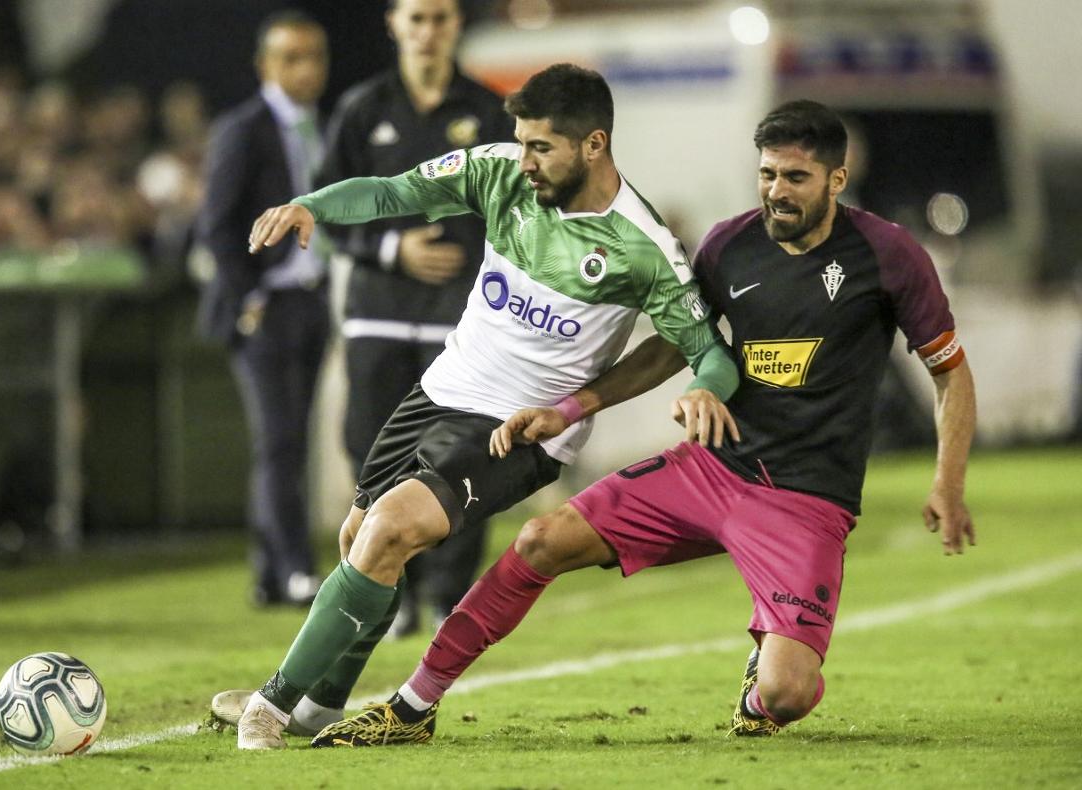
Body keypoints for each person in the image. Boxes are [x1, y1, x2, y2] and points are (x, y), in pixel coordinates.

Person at [310, 98, 977, 746]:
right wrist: (578, 406)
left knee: (786, 696)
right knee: (542, 539)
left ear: (837, 178)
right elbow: (672, 346)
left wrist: (947, 484)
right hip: (712, 468)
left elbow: (950, 372)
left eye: (795, 178)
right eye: (767, 174)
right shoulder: (730, 245)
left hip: (805, 499)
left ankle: (760, 676)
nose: (777, 191)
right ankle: (412, 706)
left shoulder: (889, 256)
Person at [214, 64, 741, 750]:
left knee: (388, 532)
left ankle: (272, 704)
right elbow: (393, 190)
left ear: (594, 145)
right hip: (440, 390)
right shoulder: (497, 169)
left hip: (519, 429)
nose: (523, 161)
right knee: (360, 544)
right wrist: (314, 205)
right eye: (519, 142)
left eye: (540, 148)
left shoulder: (643, 246)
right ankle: (321, 704)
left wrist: (701, 388)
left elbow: (711, 353)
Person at [317, 0, 515, 636]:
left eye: (441, 18)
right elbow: (322, 209)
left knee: (461, 457)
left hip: (461, 323)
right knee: (370, 452)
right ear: (394, 25)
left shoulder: (489, 112)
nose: (428, 31)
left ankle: (447, 597)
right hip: (377, 316)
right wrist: (389, 249)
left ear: (457, 27)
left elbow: (519, 211)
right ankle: (386, 590)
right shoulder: (361, 109)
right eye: (417, 18)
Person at [196, 11, 330, 607]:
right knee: (277, 442)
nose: (305, 69)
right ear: (265, 66)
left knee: (290, 443)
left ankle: (268, 573)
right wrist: (248, 297)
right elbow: (218, 227)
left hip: (310, 301)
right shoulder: (242, 129)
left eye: (314, 56)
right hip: (265, 308)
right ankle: (297, 569)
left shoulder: (321, 127)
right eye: (291, 57)